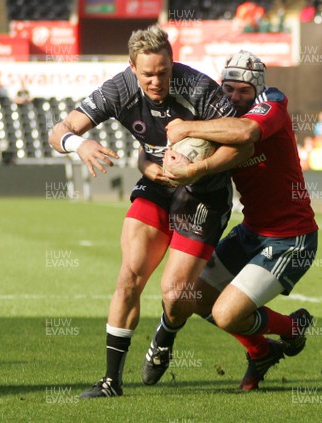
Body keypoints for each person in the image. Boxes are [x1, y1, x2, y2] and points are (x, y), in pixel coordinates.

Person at [48, 24, 249, 398]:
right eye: (148, 74)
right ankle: (111, 381)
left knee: (174, 295)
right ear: (132, 67)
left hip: (204, 197)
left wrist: (197, 168)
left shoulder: (198, 88)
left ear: (173, 63)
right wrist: (79, 144)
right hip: (157, 186)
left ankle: (166, 334)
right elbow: (58, 130)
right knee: (129, 277)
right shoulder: (119, 89)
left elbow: (244, 139)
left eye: (164, 72)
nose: (157, 81)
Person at [141, 50, 319, 391]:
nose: (234, 96)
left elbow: (246, 132)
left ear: (257, 90)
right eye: (229, 89)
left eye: (243, 91)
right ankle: (262, 351)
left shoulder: (272, 104)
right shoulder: (218, 113)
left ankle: (291, 328)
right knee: (189, 294)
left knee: (226, 314)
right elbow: (156, 141)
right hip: (251, 232)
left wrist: (187, 130)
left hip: (290, 239)